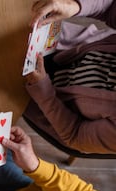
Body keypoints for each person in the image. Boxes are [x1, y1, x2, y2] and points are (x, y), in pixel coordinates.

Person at [24, 0, 116, 154]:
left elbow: (75, 135)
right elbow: (110, 6)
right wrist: (74, 6)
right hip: (71, 45)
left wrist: (42, 89)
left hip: (46, 101)